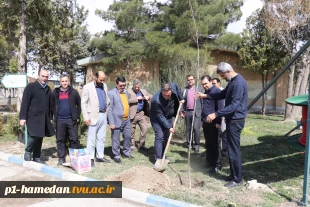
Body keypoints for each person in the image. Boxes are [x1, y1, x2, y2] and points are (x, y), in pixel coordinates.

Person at [196, 62, 248, 187]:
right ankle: (234, 175)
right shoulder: (232, 82)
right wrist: (205, 95)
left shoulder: (239, 83)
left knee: (234, 150)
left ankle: (237, 179)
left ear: (228, 71)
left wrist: (216, 114)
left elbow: (234, 105)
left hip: (236, 121)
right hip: (232, 120)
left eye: (222, 75)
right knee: (231, 149)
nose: (222, 78)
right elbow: (220, 94)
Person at [19, 70, 55, 164]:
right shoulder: (30, 87)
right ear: (38, 76)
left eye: (46, 77)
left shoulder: (48, 89)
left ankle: (36, 156)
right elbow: (25, 103)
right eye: (43, 76)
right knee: (34, 135)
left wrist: (50, 117)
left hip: (43, 118)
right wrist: (22, 117)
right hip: (32, 117)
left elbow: (50, 105)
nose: (45, 78)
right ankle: (27, 152)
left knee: (40, 136)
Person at [51, 74, 81, 166]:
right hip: (60, 120)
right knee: (60, 139)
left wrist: (77, 116)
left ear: (69, 82)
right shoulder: (55, 92)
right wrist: (52, 117)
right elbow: (51, 105)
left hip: (71, 120)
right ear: (60, 82)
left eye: (66, 81)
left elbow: (79, 105)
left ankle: (74, 159)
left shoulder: (74, 92)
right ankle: (61, 158)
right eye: (63, 81)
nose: (64, 83)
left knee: (74, 139)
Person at [81, 71, 110, 167]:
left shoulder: (104, 86)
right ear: (95, 78)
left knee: (101, 138)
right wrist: (86, 117)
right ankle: (90, 158)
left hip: (103, 115)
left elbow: (106, 99)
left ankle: (100, 156)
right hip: (92, 116)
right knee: (91, 139)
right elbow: (83, 103)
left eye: (103, 80)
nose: (102, 82)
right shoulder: (87, 87)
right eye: (100, 80)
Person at [150, 83, 184, 163]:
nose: (166, 97)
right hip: (157, 118)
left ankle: (163, 155)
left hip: (168, 115)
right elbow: (160, 116)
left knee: (166, 136)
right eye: (164, 95)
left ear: (171, 90)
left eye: (168, 95)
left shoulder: (174, 86)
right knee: (160, 136)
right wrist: (169, 127)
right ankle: (158, 159)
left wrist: (181, 98)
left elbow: (178, 90)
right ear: (161, 91)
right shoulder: (156, 100)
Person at [200, 75, 224, 174]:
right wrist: (202, 120)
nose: (204, 86)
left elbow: (221, 108)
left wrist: (218, 122)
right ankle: (209, 162)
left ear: (210, 82)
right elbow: (205, 107)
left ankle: (217, 165)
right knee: (208, 143)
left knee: (215, 145)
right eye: (202, 84)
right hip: (206, 123)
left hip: (214, 124)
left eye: (205, 83)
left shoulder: (217, 92)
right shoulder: (206, 92)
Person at [108, 76, 133, 164]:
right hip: (116, 120)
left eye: (124, 85)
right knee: (116, 139)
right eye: (121, 85)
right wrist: (111, 122)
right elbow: (110, 109)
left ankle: (126, 153)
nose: (122, 87)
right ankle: (116, 155)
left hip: (126, 119)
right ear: (116, 84)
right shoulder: (111, 93)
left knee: (128, 137)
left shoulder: (125, 92)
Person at [127, 79, 152, 152]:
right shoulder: (128, 91)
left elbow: (151, 96)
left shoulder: (143, 91)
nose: (137, 88)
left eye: (138, 87)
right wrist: (136, 98)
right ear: (133, 85)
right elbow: (126, 101)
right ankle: (132, 145)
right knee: (131, 131)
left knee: (144, 129)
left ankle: (141, 145)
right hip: (132, 114)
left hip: (141, 113)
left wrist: (148, 97)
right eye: (136, 87)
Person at [180, 75, 203, 153]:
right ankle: (189, 144)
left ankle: (197, 146)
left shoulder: (199, 89)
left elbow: (203, 102)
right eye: (188, 80)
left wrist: (203, 113)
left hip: (197, 112)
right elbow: (182, 102)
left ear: (194, 80)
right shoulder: (184, 90)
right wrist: (182, 112)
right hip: (187, 112)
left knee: (196, 129)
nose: (190, 81)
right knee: (188, 129)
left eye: (191, 79)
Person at [212, 78, 228, 157]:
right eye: (212, 83)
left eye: (214, 83)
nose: (213, 85)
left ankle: (225, 149)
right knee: (217, 132)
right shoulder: (214, 92)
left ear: (219, 83)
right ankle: (217, 148)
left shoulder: (223, 92)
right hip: (216, 114)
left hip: (223, 114)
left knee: (224, 131)